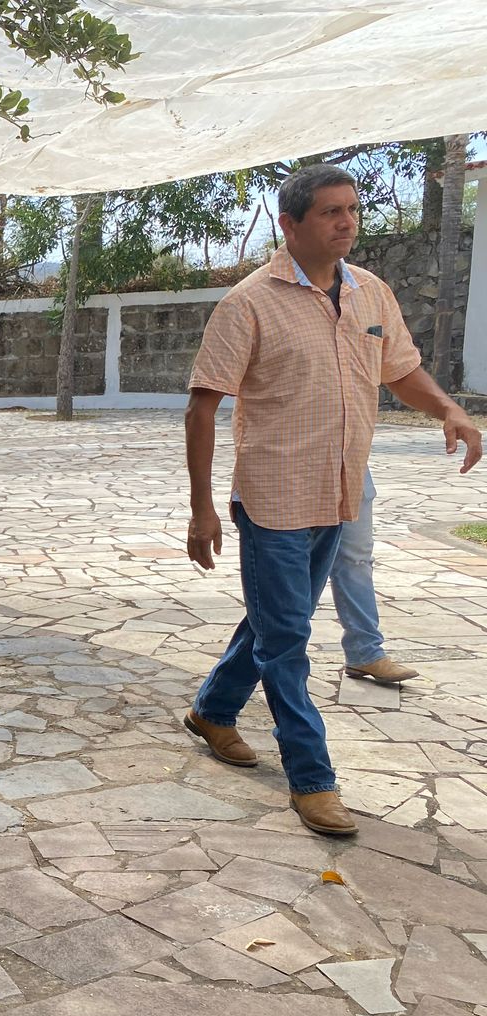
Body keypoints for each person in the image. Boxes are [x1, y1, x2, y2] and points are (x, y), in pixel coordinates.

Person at [183, 164, 481, 837]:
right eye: (330, 212)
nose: (347, 222)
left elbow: (400, 370)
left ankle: (213, 710)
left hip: (340, 490)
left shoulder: (372, 292)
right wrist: (202, 509)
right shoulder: (248, 303)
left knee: (273, 622)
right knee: (288, 638)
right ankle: (312, 778)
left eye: (352, 210)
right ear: (289, 225)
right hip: (274, 497)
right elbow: (202, 409)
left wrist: (448, 410)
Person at [327, 466, 419, 683]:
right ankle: (270, 656)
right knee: (292, 568)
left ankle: (365, 651)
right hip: (295, 472)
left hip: (351, 468)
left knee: (357, 560)